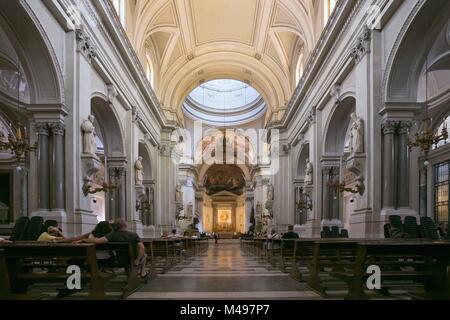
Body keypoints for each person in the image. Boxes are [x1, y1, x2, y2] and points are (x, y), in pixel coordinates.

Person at [82, 219, 148, 278]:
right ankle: (142, 272)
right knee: (144, 255)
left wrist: (83, 240)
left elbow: (97, 241)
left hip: (119, 260)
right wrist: (137, 260)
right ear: (125, 225)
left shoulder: (112, 234)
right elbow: (142, 248)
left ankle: (137, 272)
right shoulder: (134, 234)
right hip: (132, 259)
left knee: (141, 255)